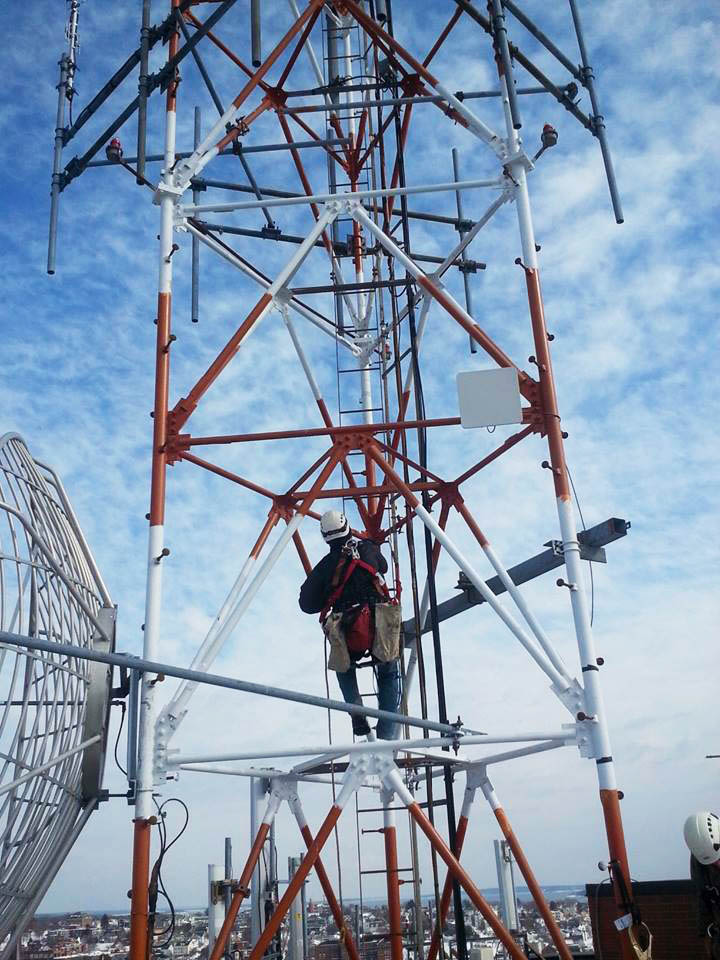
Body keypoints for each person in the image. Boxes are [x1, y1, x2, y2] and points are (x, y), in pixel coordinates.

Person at [299, 509, 401, 740]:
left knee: (344, 669)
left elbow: (306, 603)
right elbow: (383, 567)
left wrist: (328, 592)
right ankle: (387, 732)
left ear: (325, 536)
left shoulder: (326, 566)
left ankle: (357, 714)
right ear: (347, 527)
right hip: (380, 621)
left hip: (349, 626)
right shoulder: (367, 549)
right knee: (388, 672)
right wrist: (369, 546)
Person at [684, 811, 720, 958]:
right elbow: (702, 896)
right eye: (711, 863)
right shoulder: (700, 855)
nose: (716, 864)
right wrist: (705, 934)